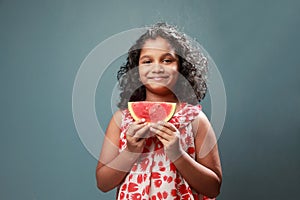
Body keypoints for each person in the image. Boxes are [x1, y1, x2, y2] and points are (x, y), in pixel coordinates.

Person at [96, 23, 222, 200]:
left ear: (181, 67)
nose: (157, 68)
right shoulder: (121, 120)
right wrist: (130, 152)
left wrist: (178, 155)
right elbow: (103, 183)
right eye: (147, 61)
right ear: (137, 70)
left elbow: (213, 188)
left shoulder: (195, 120)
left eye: (167, 60)